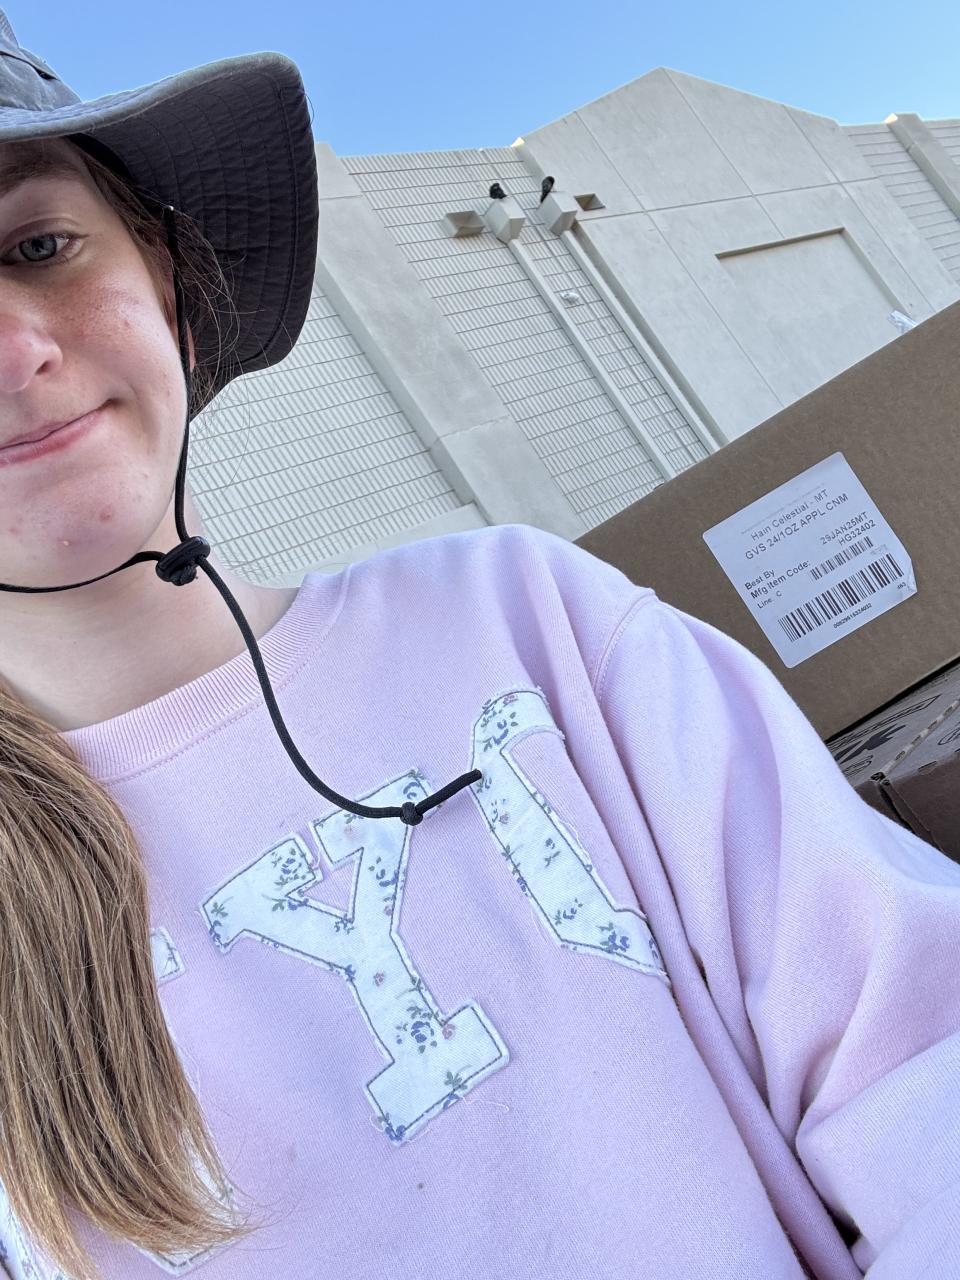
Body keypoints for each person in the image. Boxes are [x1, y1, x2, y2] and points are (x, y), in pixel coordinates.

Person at [0, 13, 957, 1280]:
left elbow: (918, 1058)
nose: (14, 345)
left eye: (38, 245)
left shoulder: (525, 619)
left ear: (168, 280)